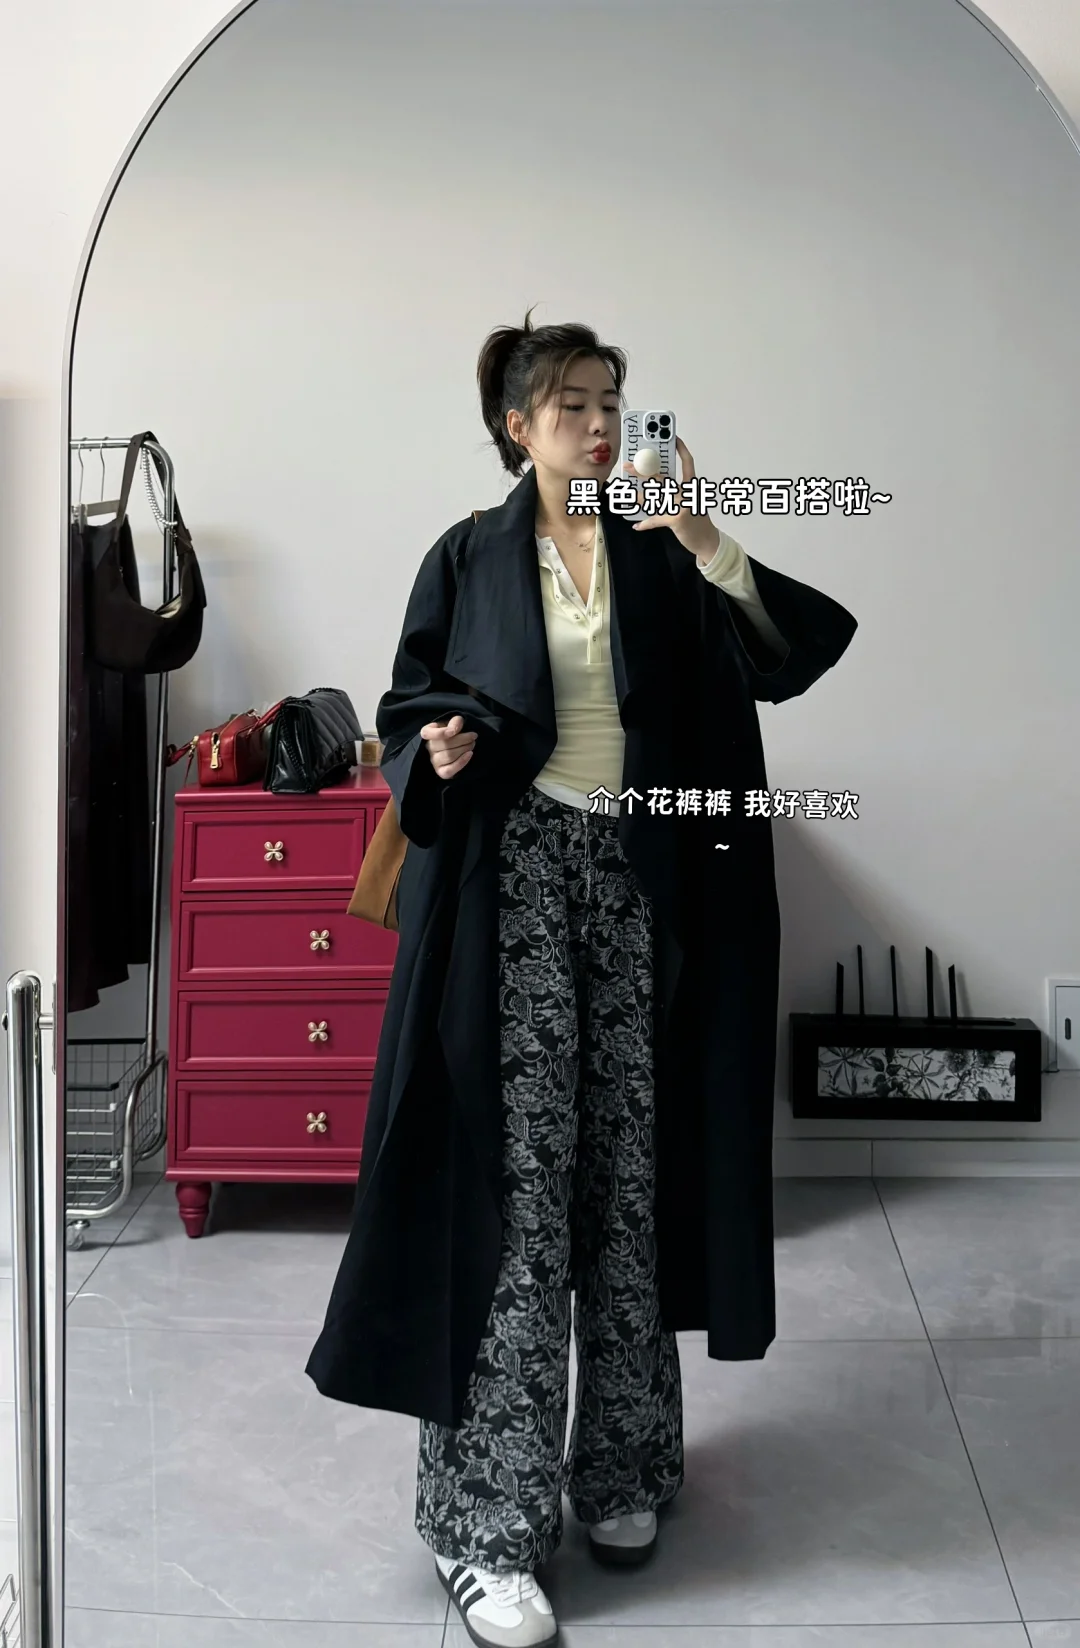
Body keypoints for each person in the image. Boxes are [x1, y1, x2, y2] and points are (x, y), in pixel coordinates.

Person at [305, 309, 858, 1648]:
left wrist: (705, 533)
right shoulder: (467, 555)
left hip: (645, 886)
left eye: (612, 401)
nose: (600, 426)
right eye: (571, 406)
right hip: (511, 889)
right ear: (517, 426)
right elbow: (406, 709)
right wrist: (435, 751)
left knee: (628, 1175)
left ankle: (623, 1466)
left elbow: (793, 652)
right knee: (514, 1189)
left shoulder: (663, 550)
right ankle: (486, 1527)